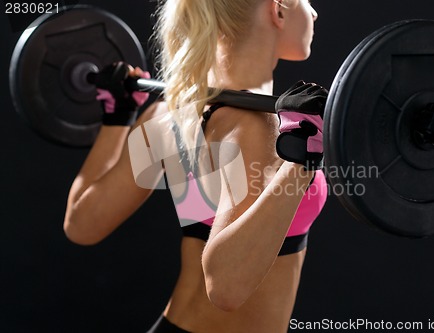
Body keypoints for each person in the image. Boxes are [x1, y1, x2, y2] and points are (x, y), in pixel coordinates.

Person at [63, 0, 328, 332]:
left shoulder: (170, 115)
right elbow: (226, 287)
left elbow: (81, 224)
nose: (314, 12)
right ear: (278, 10)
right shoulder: (257, 128)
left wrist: (118, 118)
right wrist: (300, 164)